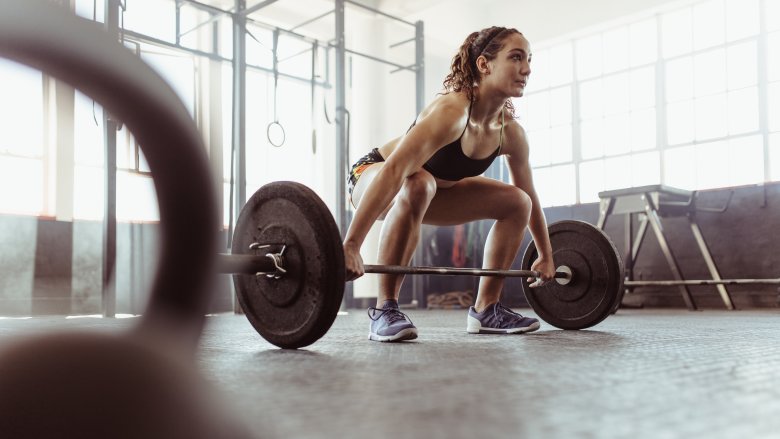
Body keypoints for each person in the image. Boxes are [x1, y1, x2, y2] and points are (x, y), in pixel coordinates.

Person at [344, 26, 556, 342]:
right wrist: (351, 245)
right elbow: (394, 172)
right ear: (484, 65)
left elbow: (529, 195)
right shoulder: (450, 112)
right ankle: (384, 309)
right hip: (373, 176)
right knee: (419, 182)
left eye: (528, 60)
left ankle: (487, 309)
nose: (526, 69)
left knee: (517, 202)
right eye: (515, 58)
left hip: (431, 190)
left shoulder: (510, 133)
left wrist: (546, 254)